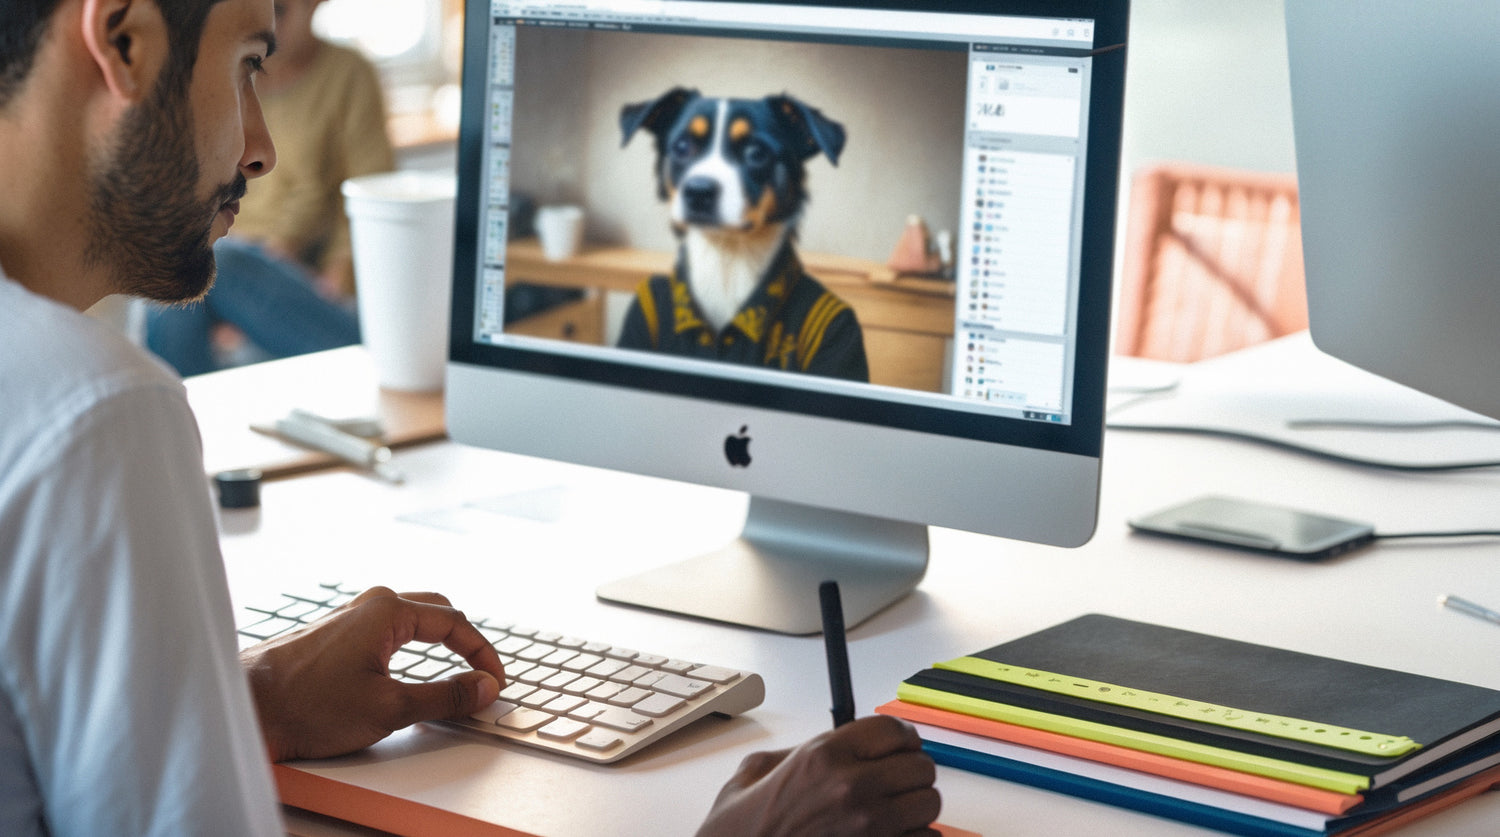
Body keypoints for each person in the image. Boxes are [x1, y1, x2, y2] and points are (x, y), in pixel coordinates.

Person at [0, 1, 942, 835]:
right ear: (124, 41)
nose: (261, 146)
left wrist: (253, 703)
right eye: (249, 63)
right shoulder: (94, 413)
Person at [142, 0, 392, 376]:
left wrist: (331, 281)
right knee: (172, 274)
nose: (269, 25)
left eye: (280, 10)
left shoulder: (348, 74)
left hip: (309, 281)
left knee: (216, 263)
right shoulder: (228, 81)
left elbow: (374, 197)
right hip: (241, 270)